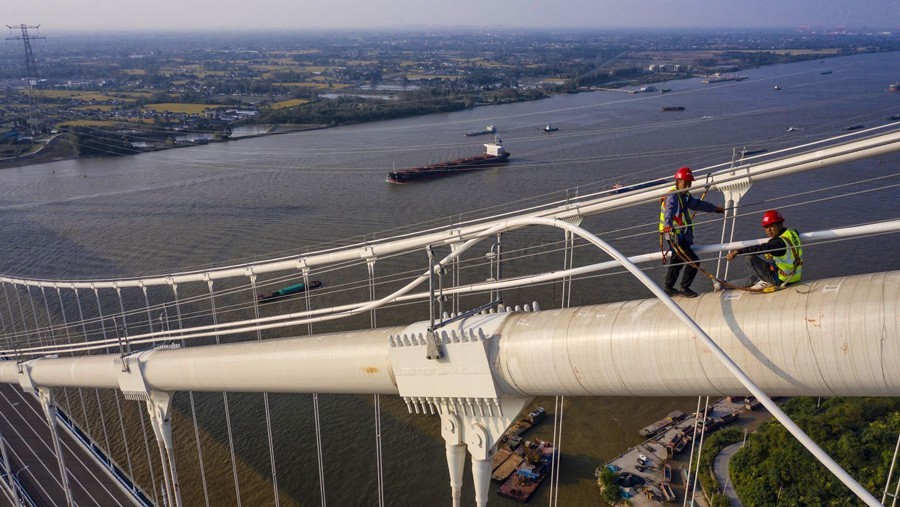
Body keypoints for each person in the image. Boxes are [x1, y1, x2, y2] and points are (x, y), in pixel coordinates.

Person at [659, 166, 724, 297]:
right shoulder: (673, 196)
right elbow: (669, 211)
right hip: (674, 236)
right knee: (693, 261)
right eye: (684, 182)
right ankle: (684, 288)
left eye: (689, 183)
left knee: (677, 261)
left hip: (679, 236)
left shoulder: (685, 196)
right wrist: (668, 225)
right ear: (677, 182)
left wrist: (714, 209)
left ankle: (669, 287)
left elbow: (698, 205)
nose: (687, 185)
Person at [725, 210, 803, 289]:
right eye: (766, 227)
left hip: (782, 279)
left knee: (749, 258)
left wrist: (738, 251)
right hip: (795, 275)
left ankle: (764, 280)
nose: (768, 230)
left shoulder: (778, 243)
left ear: (780, 224)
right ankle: (724, 285)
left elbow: (759, 249)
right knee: (753, 278)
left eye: (771, 226)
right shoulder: (792, 232)